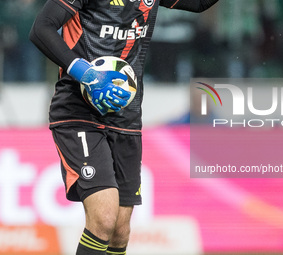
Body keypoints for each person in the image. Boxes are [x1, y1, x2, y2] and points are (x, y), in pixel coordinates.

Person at [29, 0, 219, 254]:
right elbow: (41, 29)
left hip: (125, 117)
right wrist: (86, 74)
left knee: (120, 230)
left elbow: (199, 4)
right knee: (103, 218)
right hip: (79, 111)